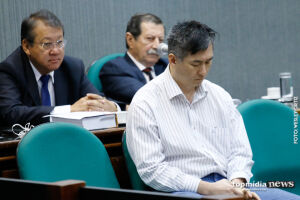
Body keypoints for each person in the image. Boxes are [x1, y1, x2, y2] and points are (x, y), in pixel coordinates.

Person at [126, 21, 300, 199]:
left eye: (208, 62)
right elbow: (152, 170)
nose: (203, 71)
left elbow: (240, 152)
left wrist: (236, 185)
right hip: (184, 190)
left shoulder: (219, 96)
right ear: (173, 59)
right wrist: (206, 188)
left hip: (227, 182)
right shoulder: (145, 102)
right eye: (195, 64)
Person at [0, 9, 118, 127]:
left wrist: (110, 106)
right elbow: (10, 113)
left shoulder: (72, 67)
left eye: (59, 42)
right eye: (47, 44)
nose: (56, 51)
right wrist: (68, 110)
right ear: (26, 46)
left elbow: (95, 100)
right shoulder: (10, 70)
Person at [99, 13, 168, 105]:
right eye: (150, 38)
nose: (157, 46)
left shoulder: (167, 66)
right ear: (130, 40)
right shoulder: (115, 69)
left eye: (160, 40)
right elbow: (147, 97)